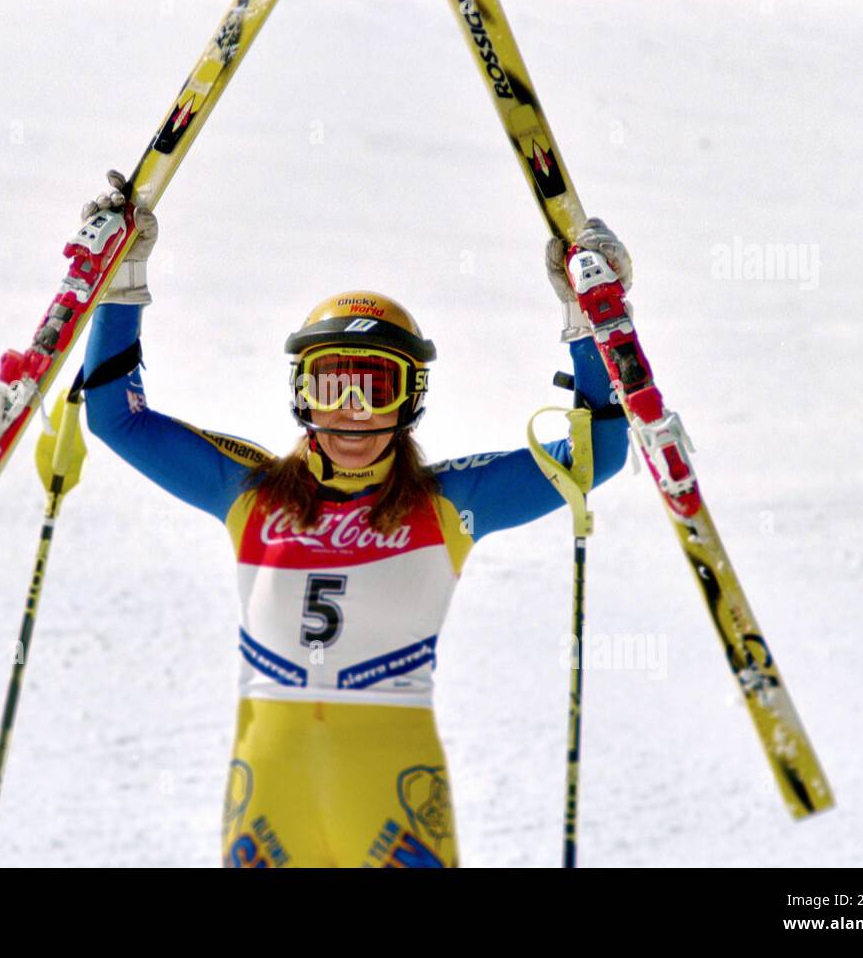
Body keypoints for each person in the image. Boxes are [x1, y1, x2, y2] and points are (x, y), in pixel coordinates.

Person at [79, 171, 632, 867]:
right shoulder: (250, 493)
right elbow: (115, 420)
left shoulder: (448, 504)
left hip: (392, 797)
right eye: (331, 384)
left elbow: (596, 454)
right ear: (301, 392)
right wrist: (121, 282)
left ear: (411, 398)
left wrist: (592, 323)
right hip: (269, 799)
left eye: (376, 388)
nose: (352, 413)